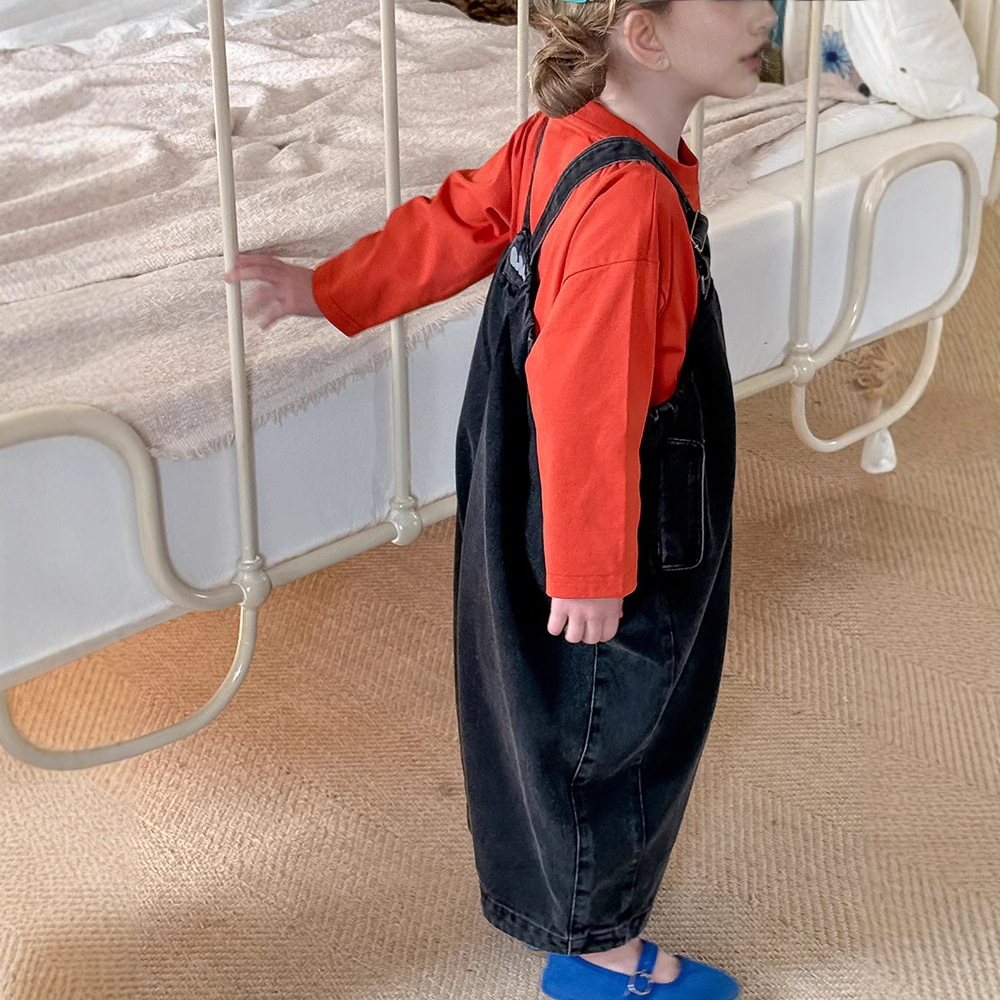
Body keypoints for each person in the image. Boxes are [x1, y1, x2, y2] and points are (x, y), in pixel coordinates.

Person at [225, 1, 777, 996]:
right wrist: (592, 569)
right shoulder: (628, 207)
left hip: (533, 472)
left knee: (560, 700)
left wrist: (330, 289)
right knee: (615, 715)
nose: (764, 12)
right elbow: (588, 399)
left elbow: (457, 222)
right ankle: (600, 953)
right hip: (614, 506)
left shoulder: (560, 136)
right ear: (645, 37)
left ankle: (572, 908)